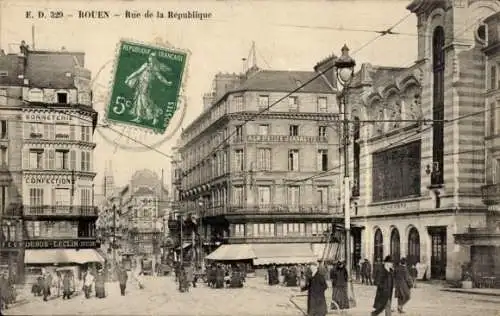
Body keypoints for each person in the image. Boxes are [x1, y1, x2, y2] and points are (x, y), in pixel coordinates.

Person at [124, 52, 173, 124]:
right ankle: (139, 117)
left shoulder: (155, 68)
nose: (151, 58)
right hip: (140, 84)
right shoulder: (146, 65)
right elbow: (137, 72)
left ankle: (155, 117)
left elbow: (160, 77)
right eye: (150, 57)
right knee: (139, 100)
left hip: (146, 86)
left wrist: (167, 82)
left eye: (153, 57)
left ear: (155, 59)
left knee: (145, 101)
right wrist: (129, 78)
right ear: (149, 58)